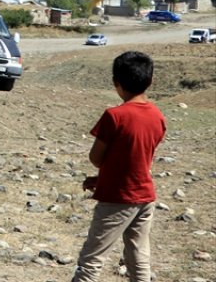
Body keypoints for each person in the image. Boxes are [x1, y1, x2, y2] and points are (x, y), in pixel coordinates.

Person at [70, 51, 167, 282]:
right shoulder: (157, 116)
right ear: (151, 81)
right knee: (138, 258)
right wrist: (104, 178)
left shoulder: (114, 116)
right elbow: (136, 160)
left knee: (91, 260)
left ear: (116, 82)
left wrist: (105, 174)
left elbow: (96, 157)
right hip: (145, 197)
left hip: (118, 199)